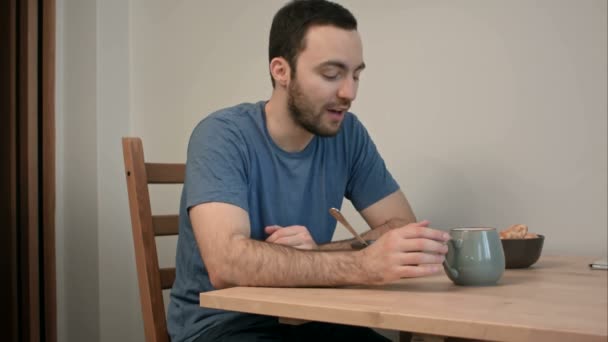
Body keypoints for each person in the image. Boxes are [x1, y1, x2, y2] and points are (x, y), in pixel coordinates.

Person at [167, 1, 450, 341]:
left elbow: (402, 228)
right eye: (332, 74)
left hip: (309, 318)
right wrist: (362, 264)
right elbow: (226, 264)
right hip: (223, 327)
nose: (349, 92)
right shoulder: (221, 135)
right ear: (281, 71)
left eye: (356, 74)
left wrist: (317, 253)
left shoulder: (348, 134)